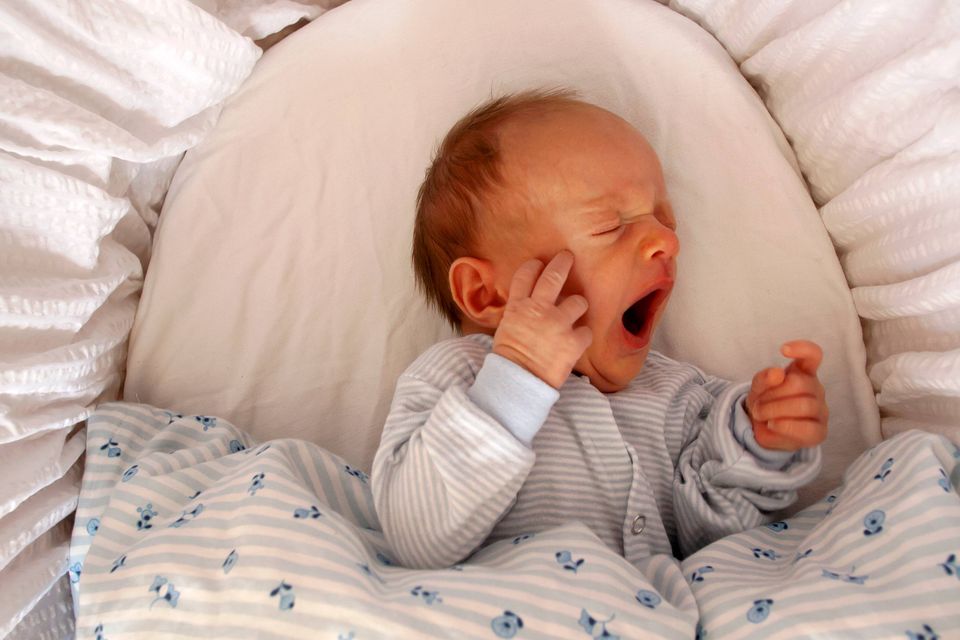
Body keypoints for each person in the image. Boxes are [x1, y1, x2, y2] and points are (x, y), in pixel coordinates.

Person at [372, 89, 827, 570]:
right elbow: (415, 537)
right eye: (610, 226)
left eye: (665, 221)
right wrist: (515, 380)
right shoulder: (454, 382)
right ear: (487, 294)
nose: (667, 241)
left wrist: (760, 439)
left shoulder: (678, 396)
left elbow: (717, 543)